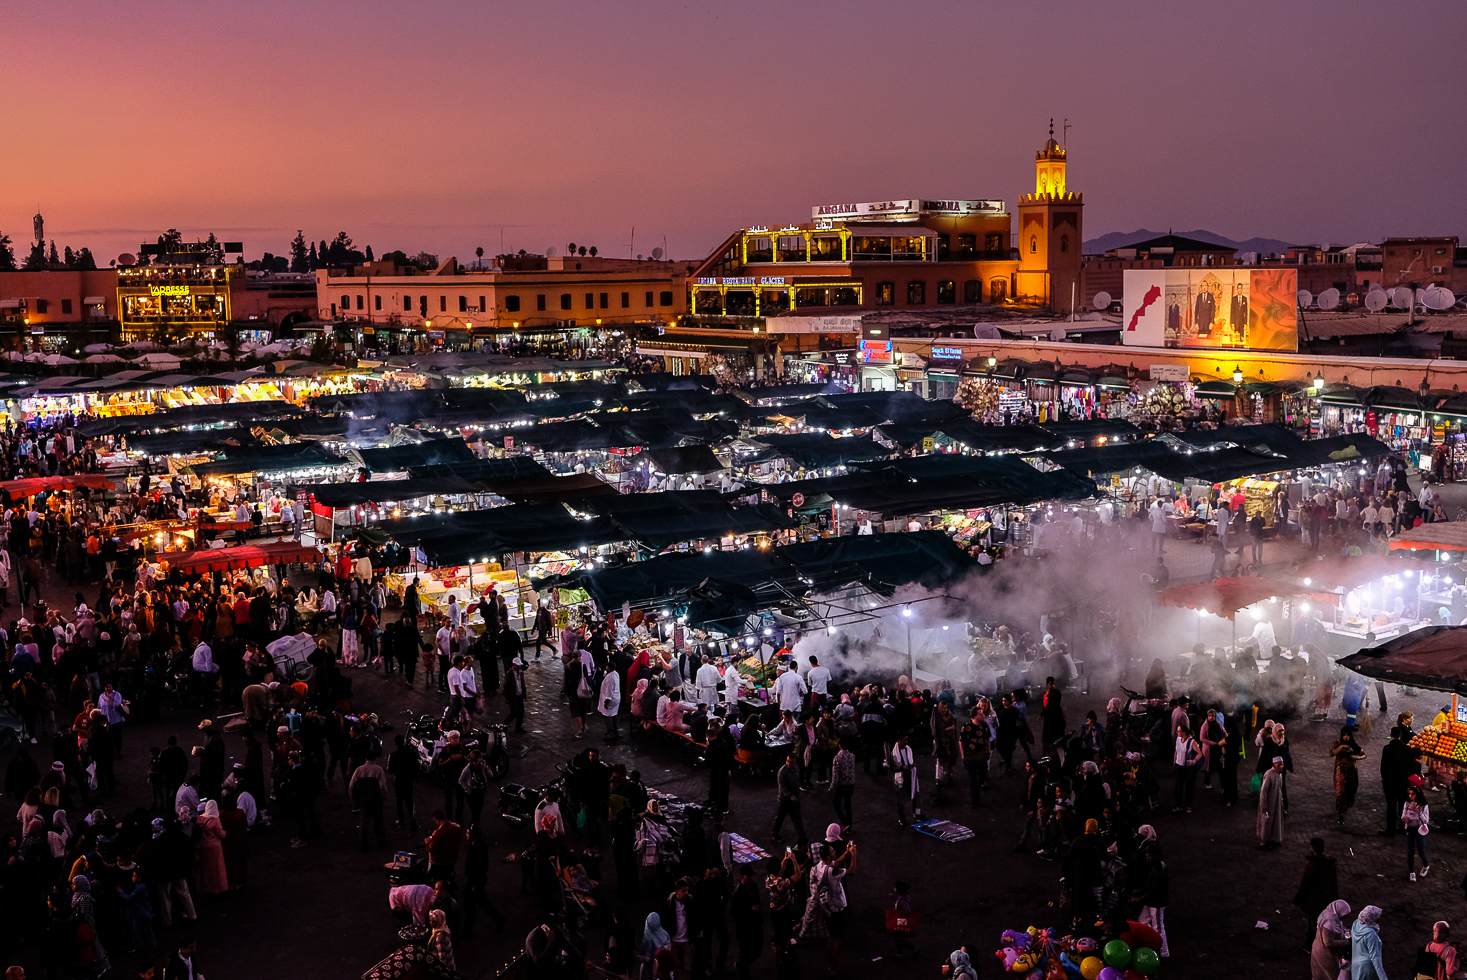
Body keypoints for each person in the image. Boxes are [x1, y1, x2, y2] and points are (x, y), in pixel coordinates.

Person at [1293, 838, 1340, 947]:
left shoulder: (1312, 866)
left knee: (1314, 924)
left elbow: (1304, 886)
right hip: (1326, 900)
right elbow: (1334, 885)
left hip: (1314, 902)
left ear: (1313, 848)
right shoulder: (1330, 864)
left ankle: (1314, 946)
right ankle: (1312, 944)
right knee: (1318, 924)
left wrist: (1296, 901)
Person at [1333, 727, 1367, 825]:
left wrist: (1357, 757)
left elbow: (1364, 754)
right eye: (1344, 735)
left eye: (1347, 735)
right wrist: (1342, 747)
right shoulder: (1337, 744)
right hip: (1340, 772)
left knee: (1350, 790)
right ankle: (1341, 813)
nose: (1346, 737)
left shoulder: (1354, 745)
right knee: (1341, 792)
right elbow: (1332, 753)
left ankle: (1345, 807)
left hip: (1351, 772)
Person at [771, 752, 806, 844]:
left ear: (795, 763)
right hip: (784, 800)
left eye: (791, 762)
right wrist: (790, 795)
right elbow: (782, 787)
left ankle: (802, 837)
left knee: (797, 819)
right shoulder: (782, 772)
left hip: (794, 799)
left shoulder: (796, 769)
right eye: (787, 761)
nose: (788, 764)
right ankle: (774, 833)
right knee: (780, 817)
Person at [1311, 900, 1352, 980]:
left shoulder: (1333, 916)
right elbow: (1328, 943)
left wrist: (1347, 932)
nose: (1345, 917)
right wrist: (1347, 942)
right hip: (1325, 955)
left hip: (1320, 950)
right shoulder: (1329, 923)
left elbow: (1339, 929)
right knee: (1331, 975)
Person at [196, 799, 228, 894]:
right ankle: (218, 888)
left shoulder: (200, 818)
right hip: (215, 847)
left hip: (204, 845)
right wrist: (225, 833)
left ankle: (207, 888)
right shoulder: (215, 820)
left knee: (206, 869)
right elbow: (220, 834)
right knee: (217, 868)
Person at [891, 732, 921, 826]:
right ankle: (902, 818)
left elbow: (911, 761)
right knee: (900, 800)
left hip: (909, 776)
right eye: (905, 739)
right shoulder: (893, 753)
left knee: (914, 796)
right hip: (900, 779)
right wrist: (901, 768)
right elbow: (892, 768)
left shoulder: (908, 749)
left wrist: (911, 766)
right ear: (899, 740)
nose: (907, 741)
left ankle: (916, 814)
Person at [1404, 784, 1431, 881]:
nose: (1411, 796)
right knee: (1410, 851)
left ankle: (1426, 865)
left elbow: (1426, 820)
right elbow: (1403, 814)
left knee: (1421, 851)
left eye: (1413, 794)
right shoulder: (1407, 804)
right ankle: (1411, 872)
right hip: (1410, 829)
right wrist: (1405, 819)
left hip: (1420, 830)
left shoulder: (1424, 805)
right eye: (1410, 794)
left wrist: (1418, 811)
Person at [1351, 906, 1387, 980]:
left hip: (1356, 967)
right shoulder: (1371, 934)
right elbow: (1375, 958)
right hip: (1367, 969)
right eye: (1377, 916)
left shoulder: (1356, 924)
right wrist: (1383, 978)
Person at [1258, 757, 1285, 849]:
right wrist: (1264, 804)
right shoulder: (1269, 775)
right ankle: (1264, 842)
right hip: (1269, 803)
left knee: (1275, 821)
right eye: (1279, 765)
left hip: (1276, 803)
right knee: (1267, 822)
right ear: (1274, 764)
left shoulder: (1279, 775)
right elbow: (1263, 791)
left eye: (1282, 764)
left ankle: (1273, 838)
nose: (1281, 767)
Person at [427, 908, 456, 972]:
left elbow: (442, 959)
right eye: (430, 921)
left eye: (433, 922)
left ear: (438, 922)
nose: (431, 923)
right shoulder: (442, 928)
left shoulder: (440, 937)